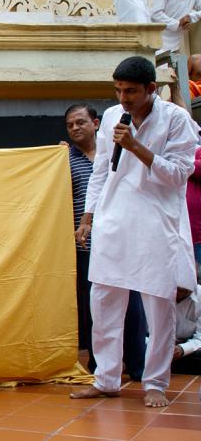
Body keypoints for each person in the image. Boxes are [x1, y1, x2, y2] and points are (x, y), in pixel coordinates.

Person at [71, 56, 197, 407]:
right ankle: (106, 379)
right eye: (118, 90)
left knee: (158, 306)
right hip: (113, 219)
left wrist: (136, 147)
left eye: (130, 91)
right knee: (103, 302)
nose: (123, 98)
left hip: (156, 223)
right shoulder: (113, 115)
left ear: (151, 89)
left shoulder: (176, 119)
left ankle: (155, 382)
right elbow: (100, 171)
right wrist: (88, 217)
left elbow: (178, 175)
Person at [64, 104, 147, 381]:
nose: (75, 128)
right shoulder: (64, 160)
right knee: (95, 307)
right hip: (87, 247)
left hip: (123, 242)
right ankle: (100, 367)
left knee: (132, 307)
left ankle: (137, 365)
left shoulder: (118, 150)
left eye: (80, 122)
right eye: (70, 125)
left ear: (96, 123)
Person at [173, 285, 201, 373]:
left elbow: (200, 337)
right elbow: (140, 332)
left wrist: (182, 349)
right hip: (154, 346)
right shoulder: (154, 293)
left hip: (189, 349)